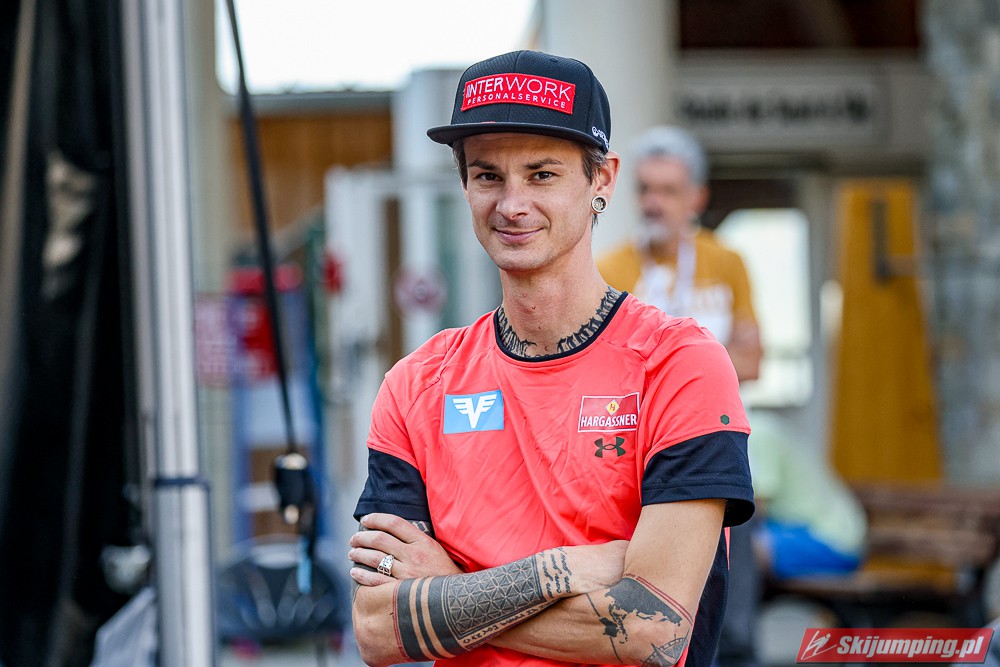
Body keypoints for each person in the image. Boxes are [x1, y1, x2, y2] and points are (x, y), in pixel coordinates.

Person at [347, 50, 755, 667]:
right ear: (464, 185)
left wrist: (447, 587)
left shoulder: (679, 365)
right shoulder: (415, 385)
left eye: (541, 175)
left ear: (602, 180)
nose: (512, 204)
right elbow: (377, 629)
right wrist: (562, 570)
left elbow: (652, 632)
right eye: (488, 176)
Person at [597, 125, 762, 383]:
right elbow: (607, 368)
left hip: (718, 408)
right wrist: (713, 359)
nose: (653, 203)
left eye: (668, 191)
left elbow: (751, 364)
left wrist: (655, 362)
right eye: (645, 189)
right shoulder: (607, 269)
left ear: (698, 197)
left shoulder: (727, 261)